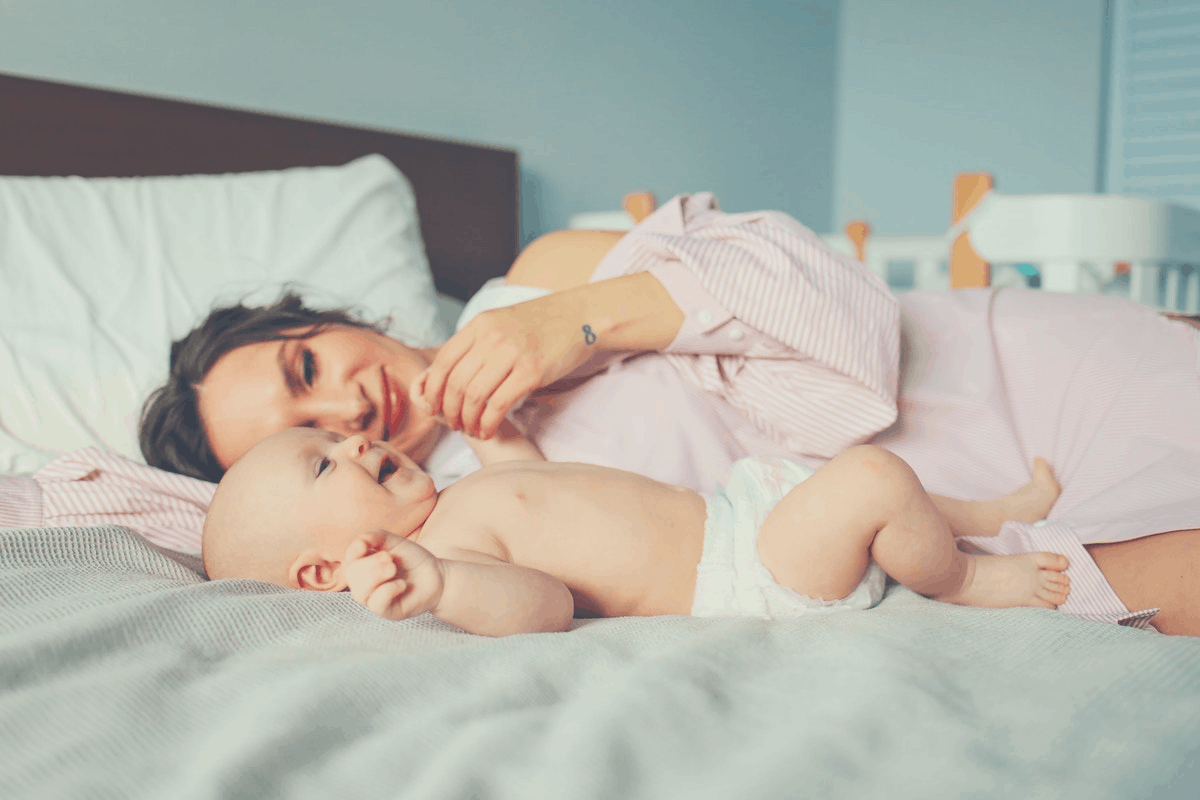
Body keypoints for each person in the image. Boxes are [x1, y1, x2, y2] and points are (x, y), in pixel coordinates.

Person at [141, 194, 1200, 635]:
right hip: (893, 528)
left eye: (308, 364)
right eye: (301, 442)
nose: (346, 407)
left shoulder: (534, 284)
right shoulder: (460, 510)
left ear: (334, 319)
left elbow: (839, 313)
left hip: (972, 379)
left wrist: (579, 324)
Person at [202, 423, 1069, 635]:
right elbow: (541, 604)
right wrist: (440, 585)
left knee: (854, 470)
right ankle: (962, 577)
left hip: (739, 511)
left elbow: (531, 474)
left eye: (333, 435)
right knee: (872, 479)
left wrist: (488, 419)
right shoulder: (445, 553)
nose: (352, 438)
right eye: (323, 464)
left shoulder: (465, 492)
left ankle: (988, 515)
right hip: (745, 576)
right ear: (321, 573)